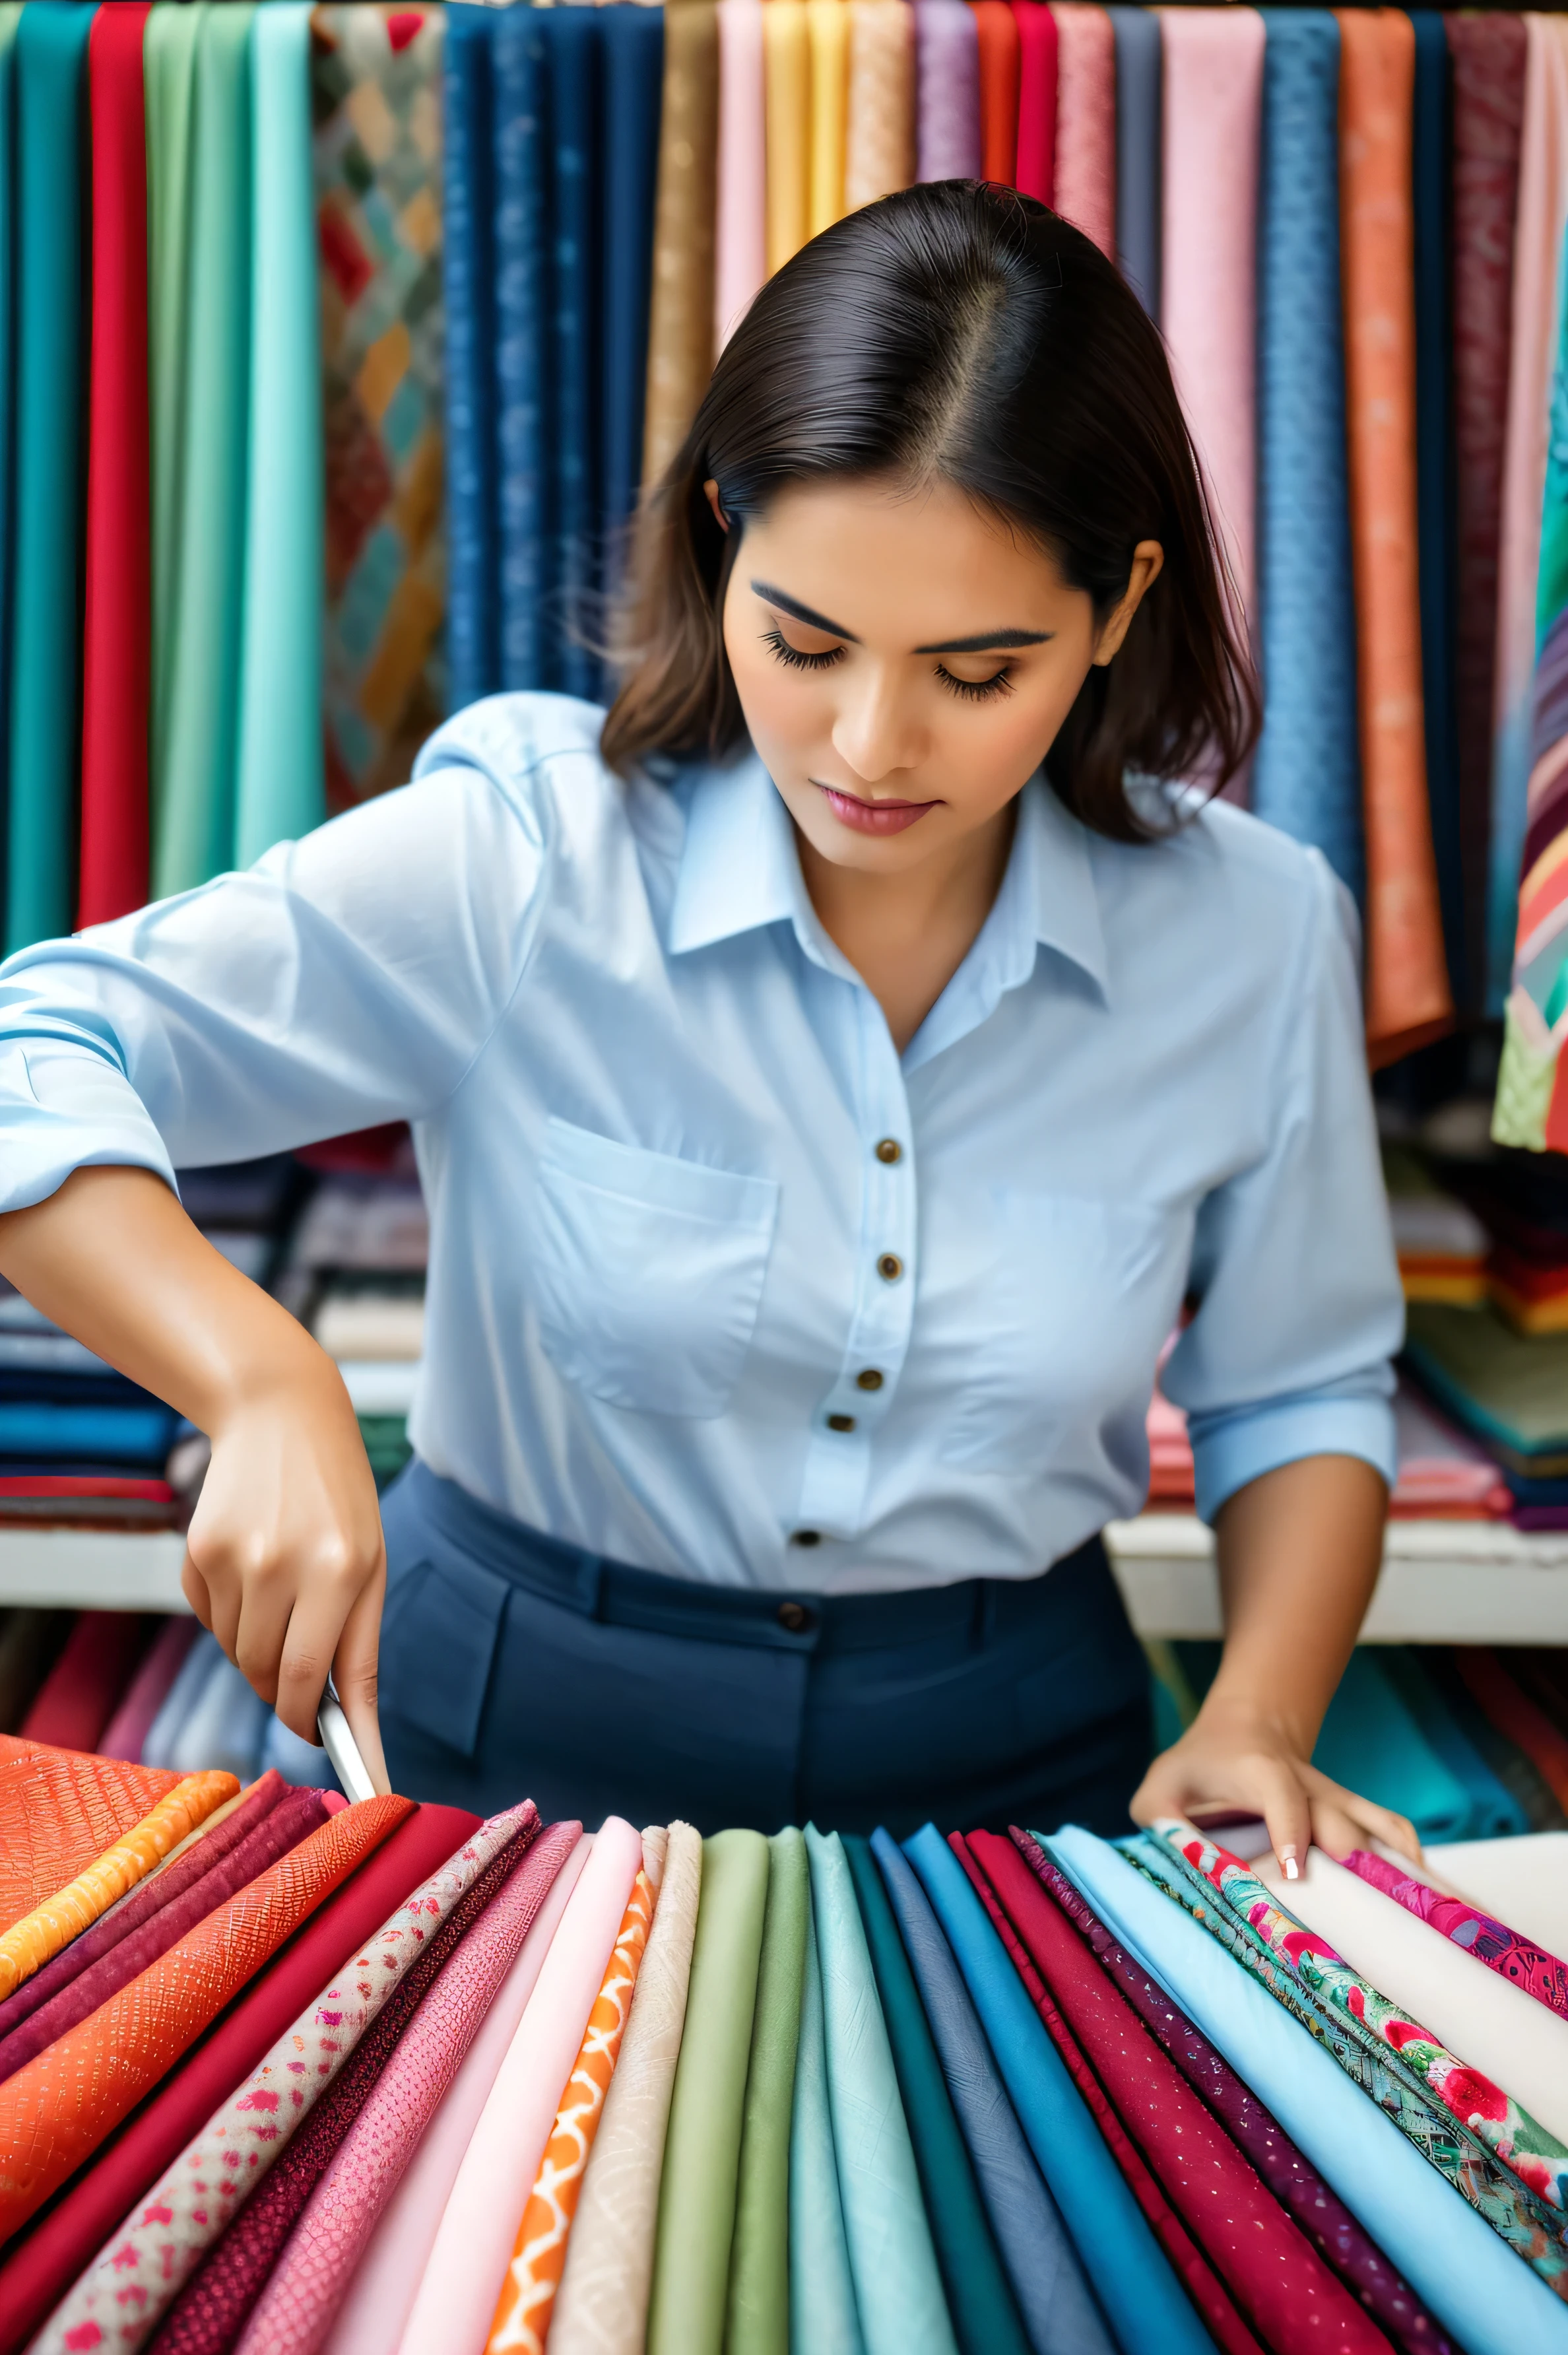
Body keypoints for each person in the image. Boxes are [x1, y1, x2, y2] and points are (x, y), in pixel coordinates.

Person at [0, 183, 1416, 1865]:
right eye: (806, 642)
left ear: (1116, 613)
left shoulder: (1255, 934)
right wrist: (255, 1377)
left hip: (1018, 1762)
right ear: (724, 535)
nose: (873, 742)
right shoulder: (527, 854)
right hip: (497, 1739)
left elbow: (1302, 1382)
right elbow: (37, 1047)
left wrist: (1255, 1713)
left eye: (978, 672)